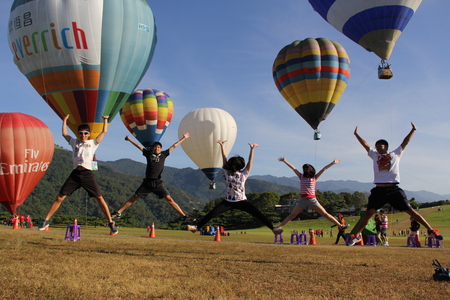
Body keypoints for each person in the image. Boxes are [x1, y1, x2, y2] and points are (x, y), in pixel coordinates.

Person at [348, 123, 443, 246]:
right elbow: (365, 145)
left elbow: (405, 142)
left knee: (412, 212)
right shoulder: (374, 155)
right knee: (368, 214)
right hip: (379, 190)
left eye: (380, 145)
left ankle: (431, 230)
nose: (377, 147)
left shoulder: (395, 154)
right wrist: (356, 135)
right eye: (376, 145)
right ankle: (355, 236)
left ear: (386, 146)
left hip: (393, 189)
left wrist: (413, 130)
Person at [39, 115, 118, 234]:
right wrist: (65, 121)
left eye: (86, 133)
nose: (83, 135)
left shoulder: (93, 143)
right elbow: (64, 134)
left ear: (89, 134)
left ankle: (111, 223)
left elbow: (104, 131)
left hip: (87, 174)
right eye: (81, 133)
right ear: (78, 134)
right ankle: (46, 220)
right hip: (75, 173)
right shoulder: (74, 142)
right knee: (60, 197)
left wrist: (105, 120)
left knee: (99, 198)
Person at [188, 140, 275, 233]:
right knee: (212, 213)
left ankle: (273, 229)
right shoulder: (227, 172)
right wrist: (222, 146)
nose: (233, 166)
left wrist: (252, 149)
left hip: (242, 201)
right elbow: (224, 158)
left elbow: (250, 161)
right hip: (228, 201)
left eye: (235, 165)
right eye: (232, 164)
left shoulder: (244, 174)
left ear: (238, 165)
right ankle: (196, 228)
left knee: (258, 214)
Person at [110, 133, 195, 222]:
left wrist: (184, 138)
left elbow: (174, 146)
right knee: (134, 197)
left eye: (158, 147)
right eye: (155, 147)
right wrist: (129, 139)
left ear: (161, 149)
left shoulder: (164, 154)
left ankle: (184, 216)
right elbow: (139, 146)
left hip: (158, 182)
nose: (157, 148)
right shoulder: (148, 154)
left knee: (169, 199)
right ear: (152, 148)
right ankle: (118, 212)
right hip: (147, 182)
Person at [273, 158, 348, 234]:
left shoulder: (314, 177)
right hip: (302, 200)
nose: (307, 170)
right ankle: (279, 227)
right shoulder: (301, 176)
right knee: (292, 215)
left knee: (325, 214)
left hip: (312, 200)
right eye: (305, 169)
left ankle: (340, 225)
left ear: (311, 169)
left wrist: (333, 163)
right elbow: (293, 168)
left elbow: (324, 169)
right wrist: (285, 161)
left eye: (308, 169)